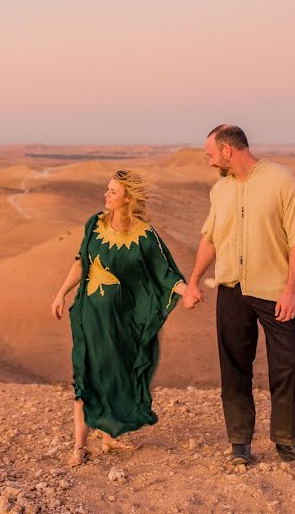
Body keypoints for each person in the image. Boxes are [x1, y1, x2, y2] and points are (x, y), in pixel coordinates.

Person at [183, 125, 295, 466]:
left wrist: (291, 290)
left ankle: (287, 441)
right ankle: (239, 443)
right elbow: (210, 239)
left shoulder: (281, 180)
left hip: (275, 292)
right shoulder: (220, 190)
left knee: (290, 363)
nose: (209, 162)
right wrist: (193, 281)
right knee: (234, 368)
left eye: (210, 154)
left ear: (228, 150)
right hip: (231, 291)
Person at [51, 169, 188, 467]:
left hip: (124, 322)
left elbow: (164, 272)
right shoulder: (95, 224)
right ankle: (79, 446)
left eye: (113, 191)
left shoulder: (144, 234)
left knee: (117, 374)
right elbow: (80, 262)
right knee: (87, 375)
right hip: (90, 316)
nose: (106, 195)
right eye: (107, 189)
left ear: (128, 197)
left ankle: (109, 436)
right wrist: (61, 293)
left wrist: (186, 290)